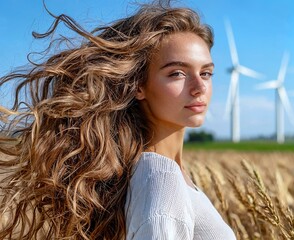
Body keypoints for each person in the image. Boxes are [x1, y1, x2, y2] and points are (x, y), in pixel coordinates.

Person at [0, 1, 236, 239]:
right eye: (177, 73)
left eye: (206, 73)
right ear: (139, 86)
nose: (199, 87)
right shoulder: (163, 179)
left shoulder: (161, 174)